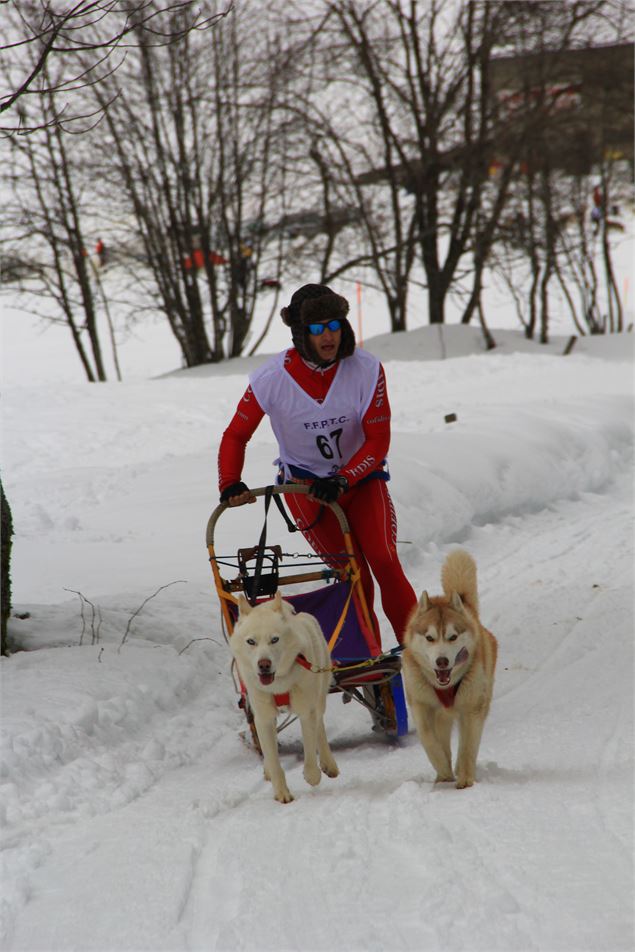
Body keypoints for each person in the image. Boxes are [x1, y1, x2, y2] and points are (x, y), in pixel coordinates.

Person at [217, 283, 417, 645]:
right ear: (300, 332)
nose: (328, 336)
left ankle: (420, 654)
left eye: (335, 324)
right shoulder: (271, 378)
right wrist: (230, 482)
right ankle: (369, 659)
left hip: (361, 482)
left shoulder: (366, 368)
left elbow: (377, 441)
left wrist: (345, 477)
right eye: (317, 328)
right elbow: (235, 435)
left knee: (384, 561)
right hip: (307, 490)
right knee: (350, 575)